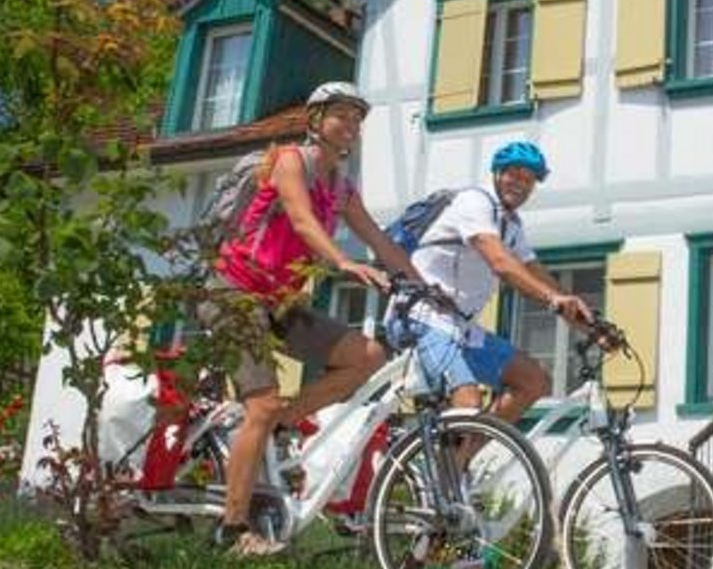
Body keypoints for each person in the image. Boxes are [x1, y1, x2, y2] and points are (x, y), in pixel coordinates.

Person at [207, 81, 416, 559]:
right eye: (342, 114)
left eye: (357, 119)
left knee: (367, 356)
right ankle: (233, 529)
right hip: (234, 291)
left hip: (279, 300)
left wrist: (426, 288)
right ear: (316, 119)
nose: (351, 125)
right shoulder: (289, 160)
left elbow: (380, 240)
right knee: (261, 404)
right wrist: (342, 261)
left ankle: (280, 425)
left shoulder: (340, 187)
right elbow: (302, 221)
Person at [394, 141, 592, 424]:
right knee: (467, 400)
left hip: (459, 327)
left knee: (533, 381)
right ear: (497, 173)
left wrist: (586, 320)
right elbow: (500, 262)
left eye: (529, 179)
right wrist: (552, 300)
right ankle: (448, 451)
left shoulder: (511, 224)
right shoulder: (474, 202)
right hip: (421, 317)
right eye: (514, 174)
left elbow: (534, 271)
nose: (520, 184)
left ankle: (466, 451)